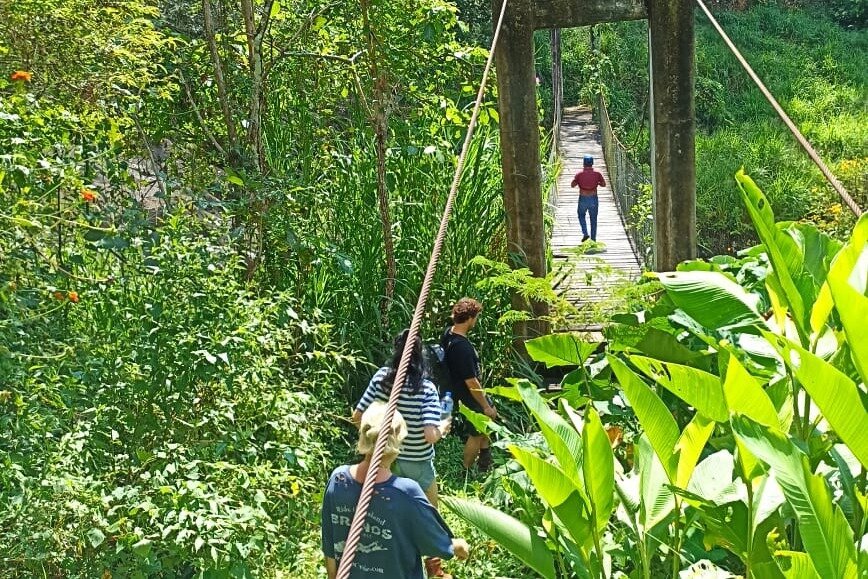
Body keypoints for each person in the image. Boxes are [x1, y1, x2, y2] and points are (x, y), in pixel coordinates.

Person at [322, 402, 470, 579]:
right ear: (399, 439)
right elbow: (435, 543)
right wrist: (458, 546)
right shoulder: (406, 492)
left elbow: (329, 546)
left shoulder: (338, 479)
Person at [352, 330, 454, 578]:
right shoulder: (426, 388)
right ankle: (435, 569)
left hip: (384, 460)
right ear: (421, 357)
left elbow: (357, 417)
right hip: (418, 462)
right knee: (430, 514)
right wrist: (444, 426)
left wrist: (377, 437)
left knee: (386, 513)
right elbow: (430, 434)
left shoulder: (380, 379)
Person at [441, 297, 496, 472]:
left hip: (456, 387)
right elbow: (471, 381)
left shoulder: (448, 334)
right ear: (471, 319)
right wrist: (485, 405)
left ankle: (485, 458)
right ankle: (465, 470)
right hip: (467, 392)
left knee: (488, 420)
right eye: (476, 318)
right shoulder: (462, 347)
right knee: (477, 431)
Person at [570, 154, 606, 242]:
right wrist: (597, 183)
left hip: (583, 198)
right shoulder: (597, 174)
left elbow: (572, 185)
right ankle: (593, 239)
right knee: (593, 219)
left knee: (581, 215)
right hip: (593, 198)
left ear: (584, 163)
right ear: (592, 163)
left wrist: (578, 181)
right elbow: (604, 184)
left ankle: (585, 233)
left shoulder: (579, 174)